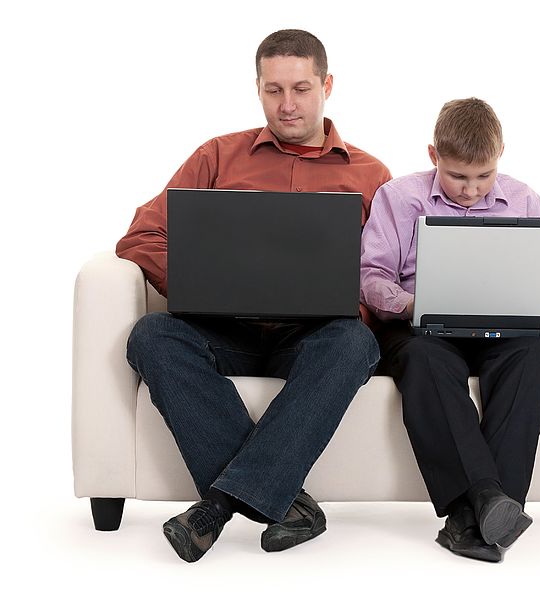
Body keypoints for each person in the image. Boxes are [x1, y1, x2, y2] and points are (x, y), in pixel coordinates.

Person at [117, 29, 391, 563]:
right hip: (225, 327)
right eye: (273, 90)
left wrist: (343, 301)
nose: (287, 104)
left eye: (301, 88)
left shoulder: (370, 175)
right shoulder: (217, 156)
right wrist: (202, 284)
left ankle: (215, 507)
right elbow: (141, 237)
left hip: (311, 337)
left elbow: (387, 271)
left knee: (355, 343)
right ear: (258, 89)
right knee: (152, 334)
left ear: (327, 85)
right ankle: (289, 503)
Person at [360, 98, 540, 563]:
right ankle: (490, 502)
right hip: (422, 329)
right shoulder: (398, 197)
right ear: (433, 156)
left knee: (536, 357)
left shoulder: (526, 199)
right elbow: (371, 279)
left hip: (501, 331)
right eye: (457, 177)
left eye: (483, 176)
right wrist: (419, 304)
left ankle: (473, 518)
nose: (470, 190)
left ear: (501, 154)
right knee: (424, 361)